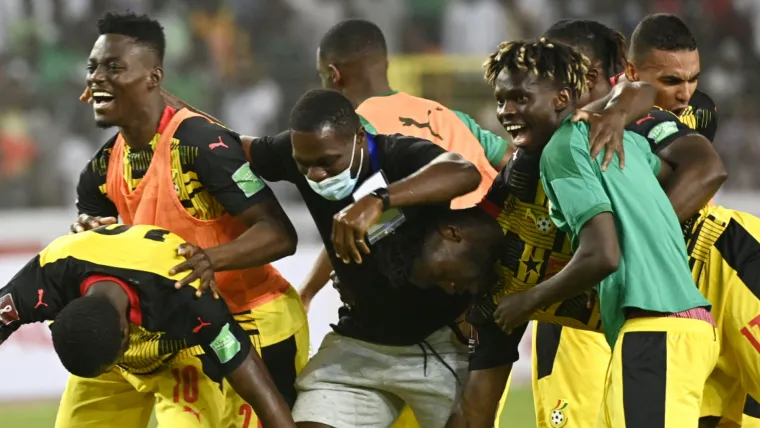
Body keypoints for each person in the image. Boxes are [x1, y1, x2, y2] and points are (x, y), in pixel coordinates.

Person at [456, 38, 720, 427]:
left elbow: (602, 254)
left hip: (652, 327)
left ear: (563, 97)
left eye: (519, 98)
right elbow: (660, 164)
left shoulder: (559, 152)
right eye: (500, 100)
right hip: (685, 325)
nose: (506, 111)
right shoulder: (619, 137)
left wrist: (528, 300)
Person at [71, 12, 308, 428]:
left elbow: (280, 233)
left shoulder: (200, 145)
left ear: (153, 77)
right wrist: (90, 237)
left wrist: (210, 259)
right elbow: (112, 250)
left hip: (250, 322)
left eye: (113, 67)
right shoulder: (100, 169)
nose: (96, 78)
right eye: (92, 68)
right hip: (167, 329)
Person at [248, 88, 481, 428]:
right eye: (304, 166)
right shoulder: (300, 148)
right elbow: (223, 144)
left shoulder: (398, 153)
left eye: (328, 162)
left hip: (441, 343)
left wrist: (380, 199)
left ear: (359, 137)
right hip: (359, 345)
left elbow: (464, 172)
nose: (315, 175)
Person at [299, 19, 512, 325]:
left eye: (321, 76)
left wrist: (307, 291)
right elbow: (513, 161)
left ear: (333, 75)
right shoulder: (446, 115)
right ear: (385, 65)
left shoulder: (359, 134)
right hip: (496, 265)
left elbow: (354, 224)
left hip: (443, 282)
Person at [0, 224, 296, 428]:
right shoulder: (44, 277)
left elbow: (251, 379)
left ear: (125, 336)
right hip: (108, 344)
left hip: (181, 352)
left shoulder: (185, 290)